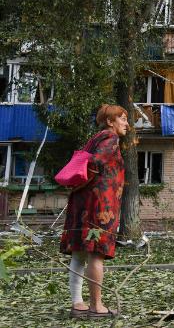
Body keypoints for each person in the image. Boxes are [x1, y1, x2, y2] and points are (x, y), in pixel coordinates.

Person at [61, 104, 129, 318]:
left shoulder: (95, 139)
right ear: (111, 121)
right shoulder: (110, 139)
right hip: (99, 206)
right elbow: (94, 164)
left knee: (80, 252)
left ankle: (77, 303)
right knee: (96, 253)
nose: (127, 124)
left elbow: (86, 165)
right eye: (123, 119)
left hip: (82, 203)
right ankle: (96, 306)